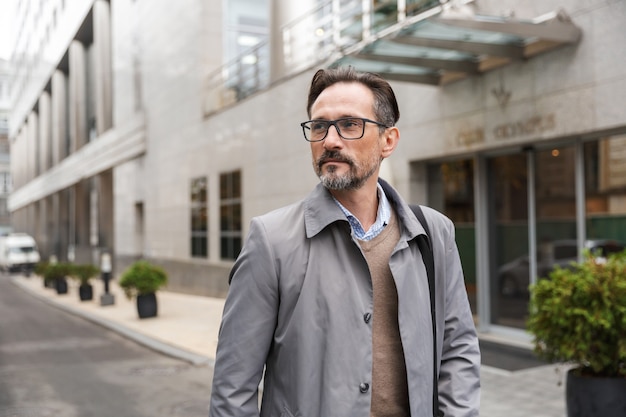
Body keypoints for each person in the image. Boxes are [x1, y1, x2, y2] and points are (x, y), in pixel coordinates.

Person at [209, 66, 480, 417]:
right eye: (319, 126)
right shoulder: (271, 240)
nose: (330, 141)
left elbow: (458, 349)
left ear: (388, 140)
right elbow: (233, 387)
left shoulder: (433, 233)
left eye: (350, 124)